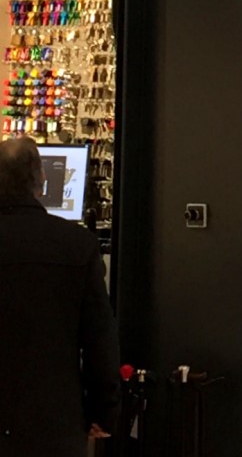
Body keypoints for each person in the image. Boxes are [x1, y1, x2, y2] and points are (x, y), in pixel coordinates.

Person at [0, 136, 119, 455]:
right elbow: (99, 339)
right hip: (53, 419)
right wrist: (103, 411)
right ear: (41, 179)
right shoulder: (77, 245)